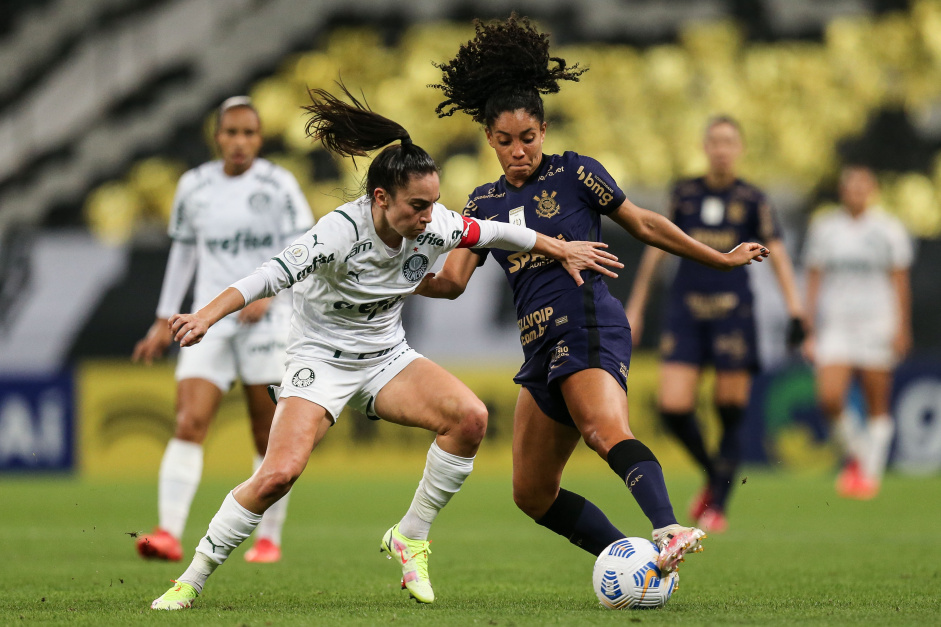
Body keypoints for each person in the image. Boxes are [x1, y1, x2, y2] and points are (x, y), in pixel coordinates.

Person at [149, 83, 621, 610]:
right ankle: (190, 578)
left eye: (434, 204)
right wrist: (203, 316)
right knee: (278, 474)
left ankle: (410, 536)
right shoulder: (336, 233)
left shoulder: (434, 224)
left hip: (385, 357)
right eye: (418, 206)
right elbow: (266, 277)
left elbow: (498, 234)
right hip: (320, 360)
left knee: (469, 418)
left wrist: (563, 248)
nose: (428, 218)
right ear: (381, 199)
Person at [423, 15, 768, 574]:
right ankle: (631, 560)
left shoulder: (575, 173)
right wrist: (394, 274)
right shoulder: (481, 203)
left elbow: (646, 225)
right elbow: (453, 281)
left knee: (604, 431)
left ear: (544, 130)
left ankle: (669, 527)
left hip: (586, 324)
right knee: (532, 493)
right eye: (505, 141)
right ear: (489, 138)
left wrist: (720, 257)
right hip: (539, 350)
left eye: (528, 138)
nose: (518, 151)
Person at [132, 96, 314, 564]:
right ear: (217, 137)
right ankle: (167, 533)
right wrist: (162, 317)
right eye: (231, 132)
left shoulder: (279, 184)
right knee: (189, 421)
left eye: (249, 133)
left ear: (259, 137)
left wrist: (271, 294)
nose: (239, 141)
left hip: (267, 319)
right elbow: (184, 254)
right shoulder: (194, 186)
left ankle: (268, 538)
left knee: (265, 433)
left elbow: (305, 248)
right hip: (206, 319)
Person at [624, 116, 805, 533]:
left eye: (729, 142)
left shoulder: (752, 198)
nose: (722, 149)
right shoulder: (684, 194)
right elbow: (656, 248)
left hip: (733, 313)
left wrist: (796, 311)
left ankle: (717, 506)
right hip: (686, 311)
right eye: (715, 142)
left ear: (739, 148)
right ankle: (713, 474)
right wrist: (636, 305)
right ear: (706, 147)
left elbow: (776, 252)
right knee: (672, 407)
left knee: (729, 410)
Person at [802, 164, 913, 499]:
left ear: (872, 189)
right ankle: (863, 455)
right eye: (850, 187)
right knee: (829, 396)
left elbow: (899, 279)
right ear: (842, 191)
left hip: (878, 321)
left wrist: (902, 326)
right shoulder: (824, 227)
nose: (856, 193)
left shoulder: (889, 229)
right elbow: (814, 278)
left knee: (876, 398)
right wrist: (808, 325)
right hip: (836, 322)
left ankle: (869, 475)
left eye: (862, 187)